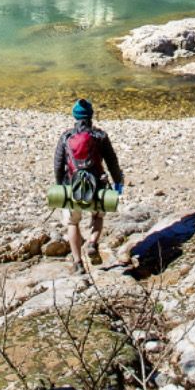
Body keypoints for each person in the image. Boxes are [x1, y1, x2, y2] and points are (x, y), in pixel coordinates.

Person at [53, 98, 124, 274]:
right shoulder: (100, 136)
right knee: (98, 217)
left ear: (74, 117)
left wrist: (60, 184)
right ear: (91, 116)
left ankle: (78, 263)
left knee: (72, 223)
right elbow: (112, 162)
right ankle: (92, 242)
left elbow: (57, 164)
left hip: (73, 186)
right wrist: (118, 182)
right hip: (97, 186)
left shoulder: (66, 137)